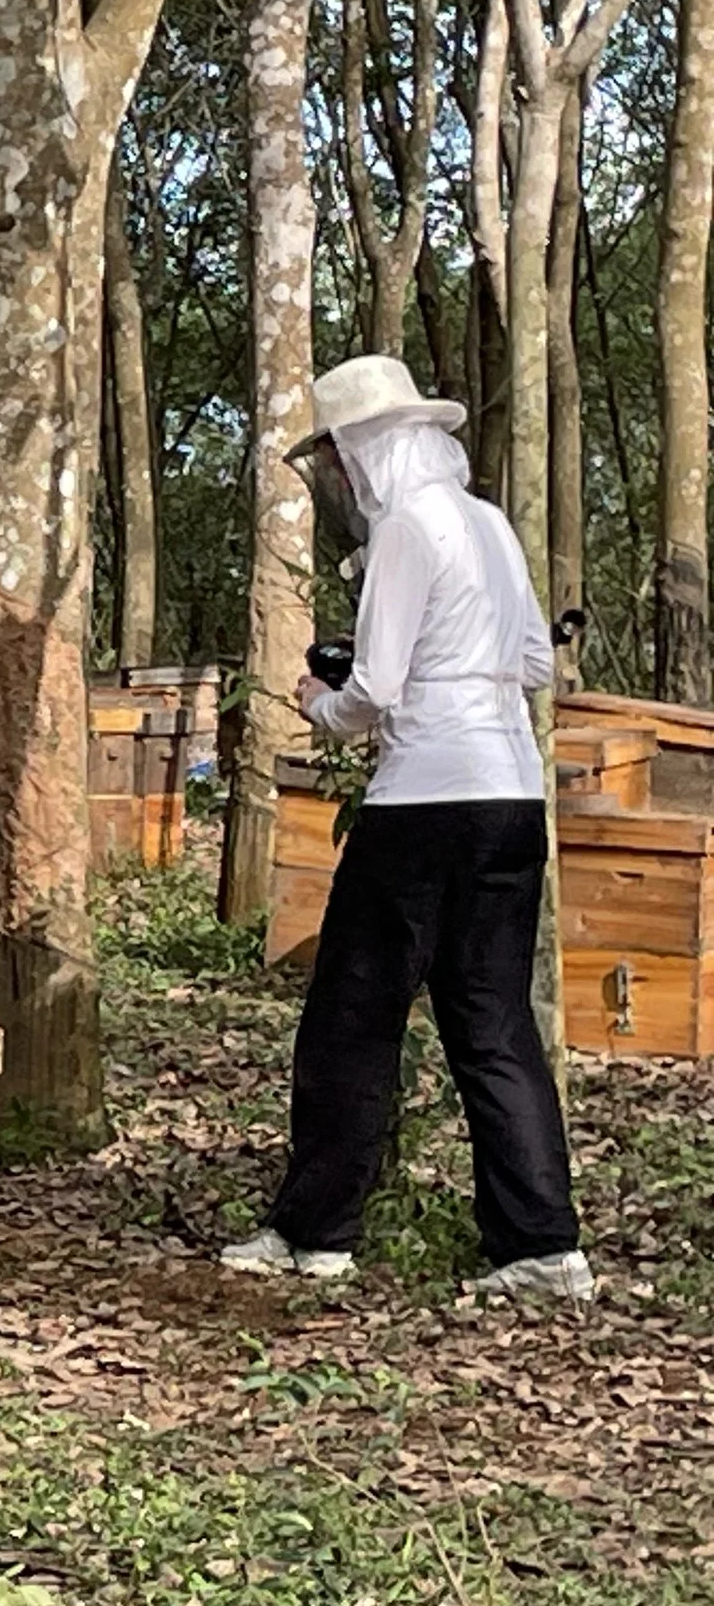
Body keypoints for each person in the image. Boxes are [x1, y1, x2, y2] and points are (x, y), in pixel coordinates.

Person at [221, 355, 592, 1301]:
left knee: (353, 1012)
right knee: (494, 1021)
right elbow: (538, 665)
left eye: (339, 464)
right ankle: (543, 1245)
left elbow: (374, 694)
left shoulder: (406, 533)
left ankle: (316, 1233)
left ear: (363, 452)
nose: (341, 483)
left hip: (424, 802)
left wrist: (318, 701)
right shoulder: (490, 523)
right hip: (511, 798)